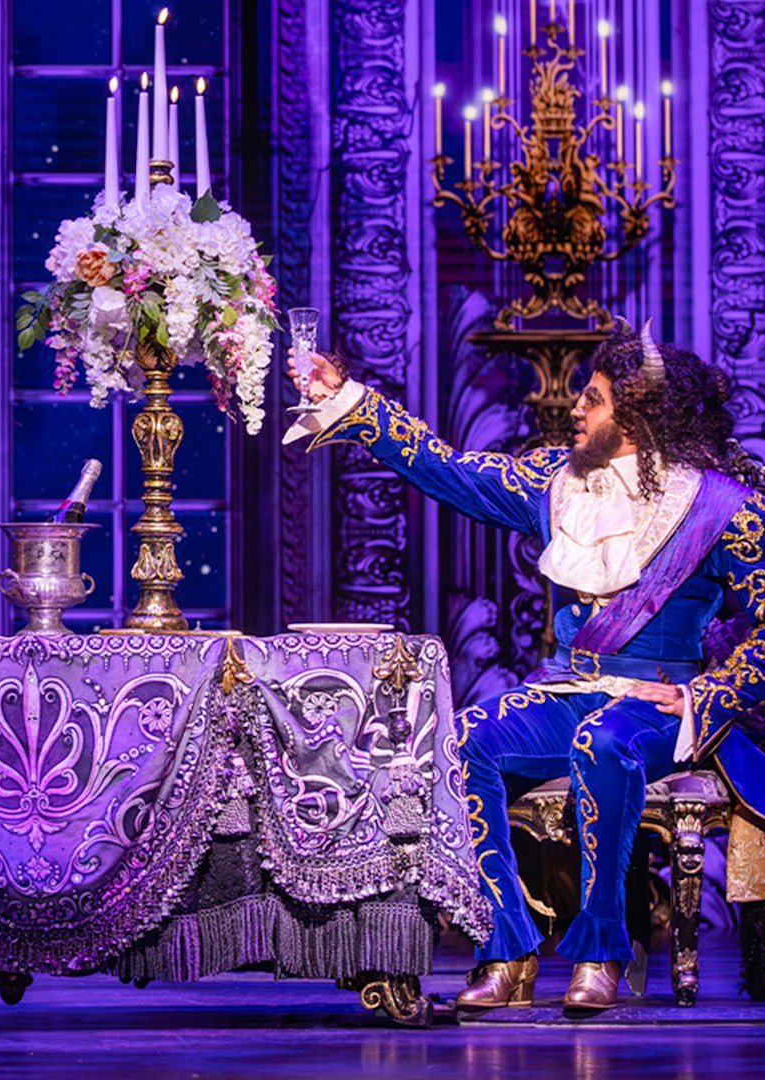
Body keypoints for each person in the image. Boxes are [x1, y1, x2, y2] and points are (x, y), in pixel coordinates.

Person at [286, 322, 765, 1013]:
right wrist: (352, 400)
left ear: (633, 417)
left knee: (603, 743)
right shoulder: (553, 481)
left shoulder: (723, 509)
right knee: (458, 743)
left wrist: (709, 691)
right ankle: (505, 947)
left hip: (661, 707)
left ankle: (601, 948)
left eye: (592, 400)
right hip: (570, 687)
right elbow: (444, 466)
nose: (576, 409)